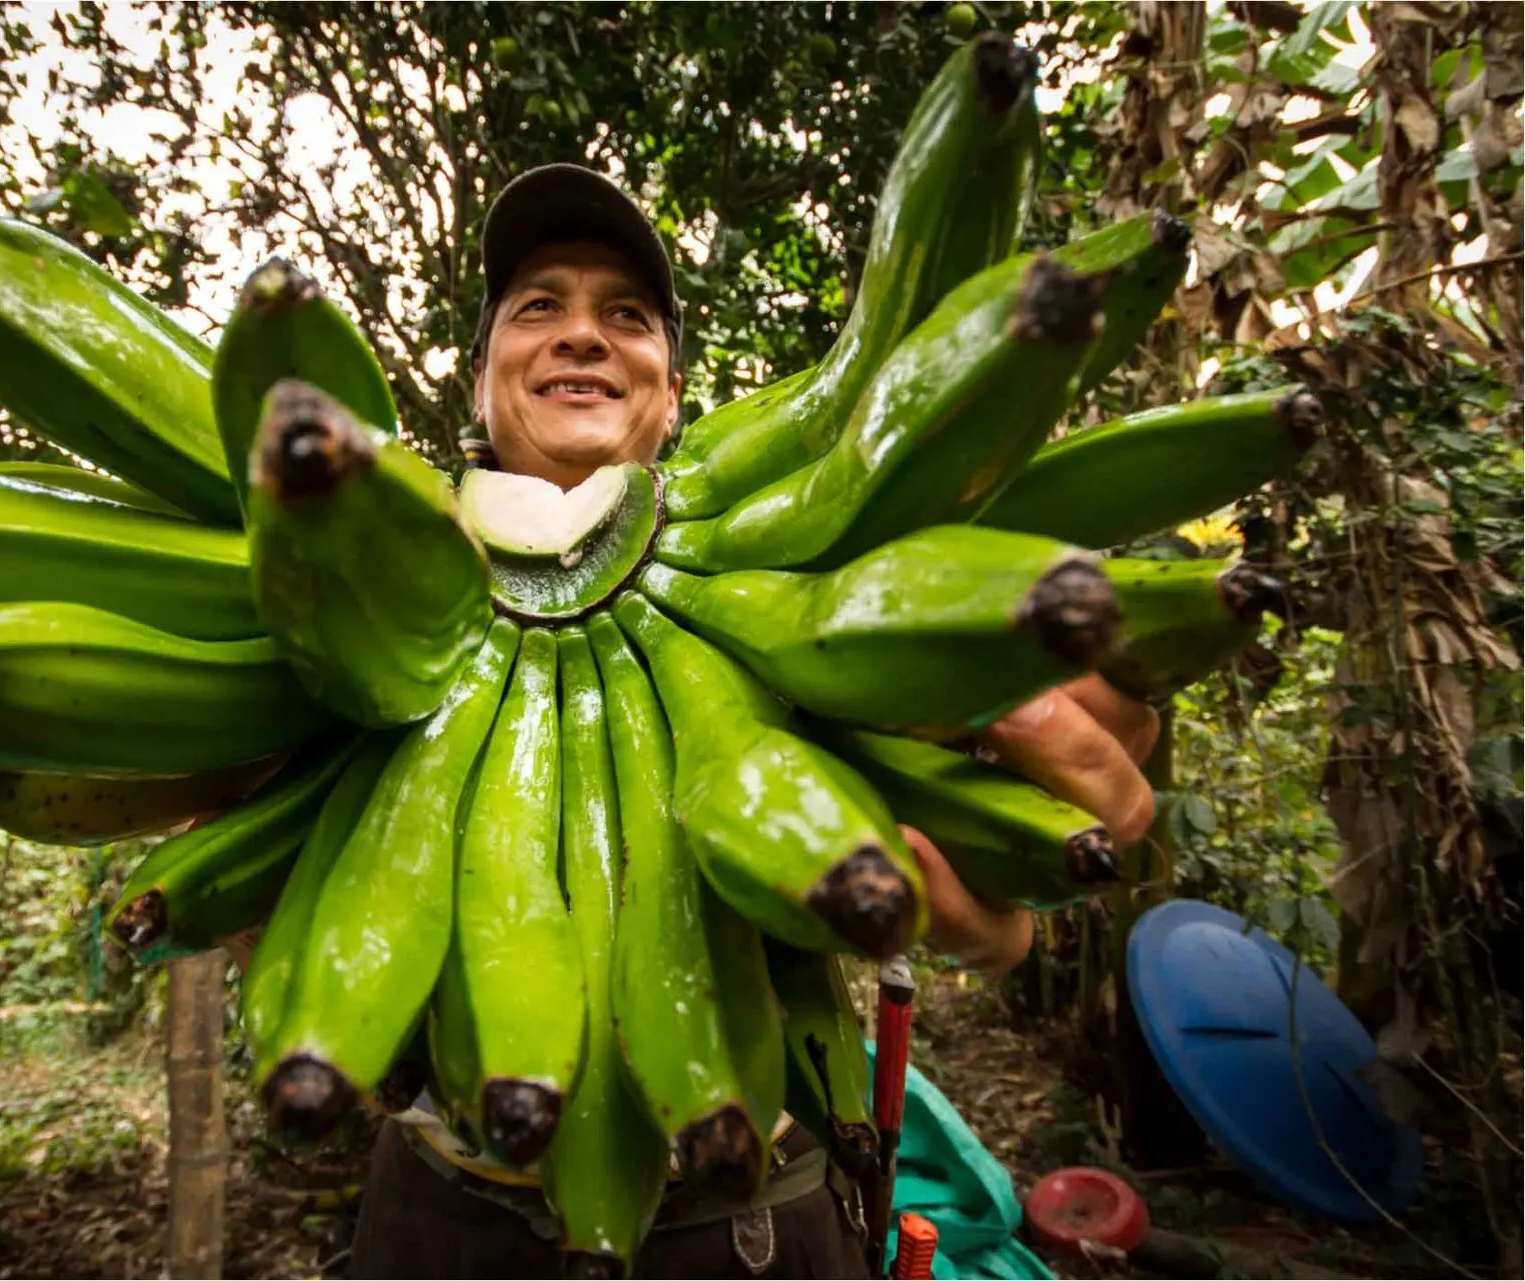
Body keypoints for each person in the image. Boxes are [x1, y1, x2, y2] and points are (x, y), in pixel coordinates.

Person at [327, 164, 1159, 1278]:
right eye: (539, 308)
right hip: (443, 1217)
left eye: (626, 317)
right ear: (478, 385)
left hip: (753, 1217)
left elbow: (993, 805)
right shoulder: (363, 588)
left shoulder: (793, 592)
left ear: (671, 398)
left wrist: (1005, 876)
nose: (583, 335)